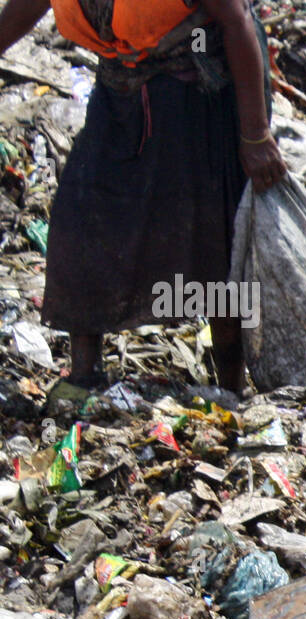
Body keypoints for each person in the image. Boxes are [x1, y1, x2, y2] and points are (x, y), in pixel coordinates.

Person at [0, 0, 287, 391]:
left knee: (214, 240)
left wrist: (255, 135)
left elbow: (235, 23)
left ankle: (230, 385)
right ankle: (83, 378)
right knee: (82, 218)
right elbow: (26, 6)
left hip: (200, 87)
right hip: (122, 89)